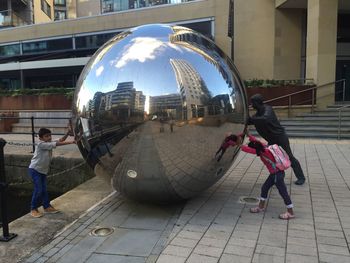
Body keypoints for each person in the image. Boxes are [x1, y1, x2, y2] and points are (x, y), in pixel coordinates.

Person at [247, 94, 306, 185]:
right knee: (273, 158)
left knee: (289, 157)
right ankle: (278, 177)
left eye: (252, 102)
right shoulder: (258, 114)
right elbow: (250, 120)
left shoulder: (268, 109)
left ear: (257, 102)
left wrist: (252, 119)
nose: (251, 105)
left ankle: (301, 177)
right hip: (271, 140)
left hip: (280, 137)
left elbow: (265, 119)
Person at [241, 134, 295, 220]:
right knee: (265, 188)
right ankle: (261, 207)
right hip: (275, 174)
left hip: (277, 175)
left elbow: (245, 149)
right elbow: (256, 142)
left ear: (256, 149)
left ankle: (290, 212)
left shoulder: (263, 152)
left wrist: (236, 143)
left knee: (283, 192)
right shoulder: (264, 147)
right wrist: (248, 134)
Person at [28, 127, 76, 218]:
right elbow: (57, 143)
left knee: (44, 189)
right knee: (39, 190)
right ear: (41, 138)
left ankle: (47, 207)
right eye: (46, 136)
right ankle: (33, 209)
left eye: (50, 135)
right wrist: (72, 142)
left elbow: (61, 140)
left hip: (42, 171)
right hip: (35, 170)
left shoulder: (48, 142)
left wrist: (67, 133)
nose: (49, 137)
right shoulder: (41, 144)